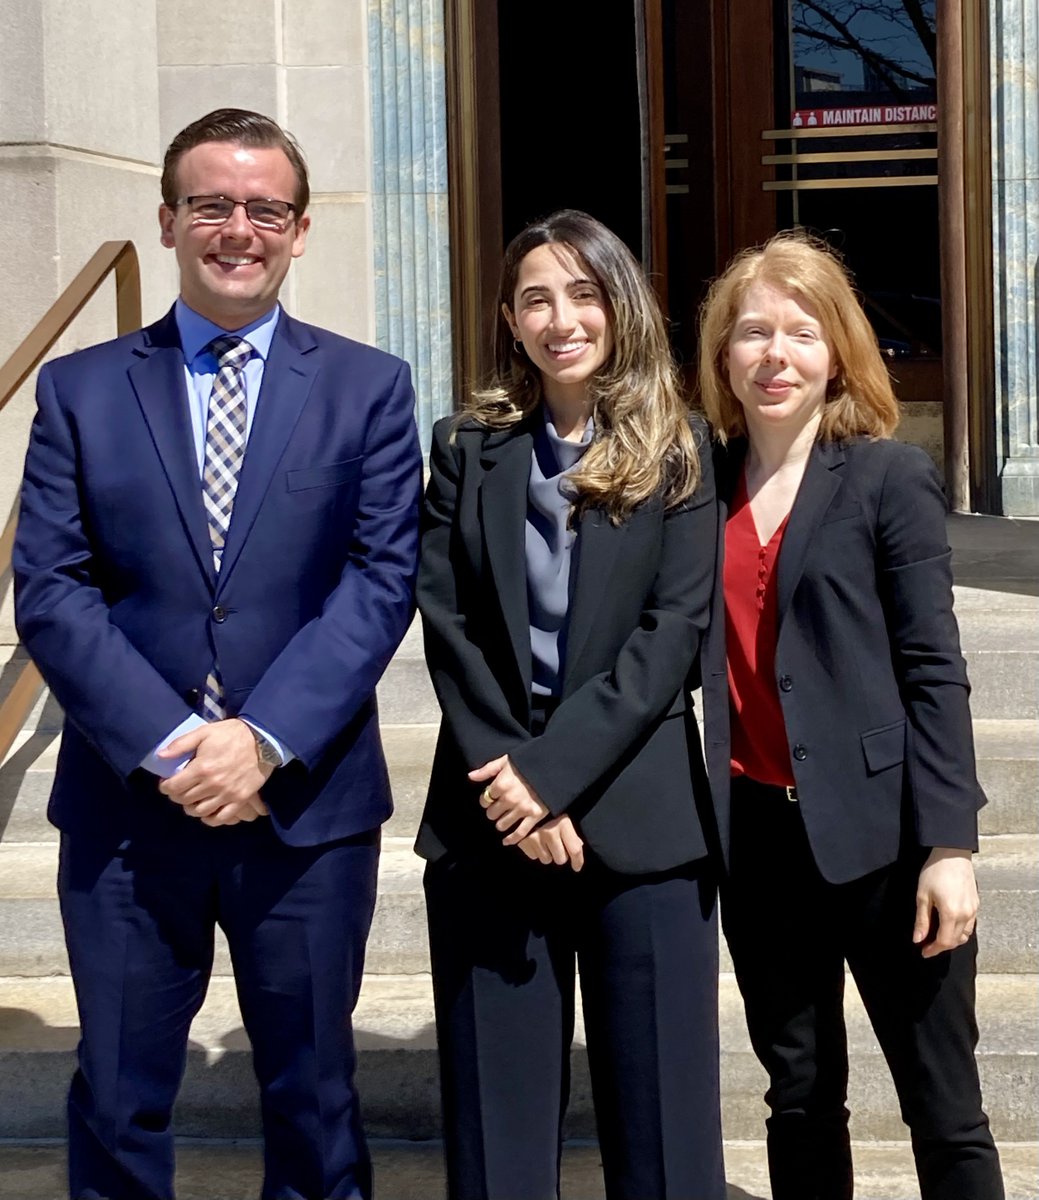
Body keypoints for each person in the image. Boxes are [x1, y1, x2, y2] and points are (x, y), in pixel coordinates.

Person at [13, 108, 422, 1200]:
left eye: (265, 209)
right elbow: (51, 592)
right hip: (127, 811)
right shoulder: (80, 390)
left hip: (305, 808)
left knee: (314, 1091)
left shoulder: (369, 387)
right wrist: (173, 743)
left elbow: (380, 583)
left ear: (298, 231)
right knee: (116, 1091)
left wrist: (263, 739)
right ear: (167, 219)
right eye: (211, 205)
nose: (238, 228)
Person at [415, 209, 724, 1200]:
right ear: (508, 317)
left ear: (617, 306)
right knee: (497, 1141)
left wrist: (550, 777)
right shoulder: (469, 445)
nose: (561, 318)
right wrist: (514, 782)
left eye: (583, 294)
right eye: (537, 298)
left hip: (641, 824)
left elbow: (670, 635)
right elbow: (446, 620)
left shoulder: (681, 446)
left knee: (666, 1141)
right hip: (488, 823)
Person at [697, 231, 1003, 1199]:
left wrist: (949, 846)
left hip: (885, 837)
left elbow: (932, 668)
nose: (774, 355)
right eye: (751, 333)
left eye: (799, 332)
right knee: (797, 1095)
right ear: (722, 356)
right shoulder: (697, 485)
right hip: (756, 837)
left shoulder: (884, 477)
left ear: (837, 350)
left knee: (941, 1107)